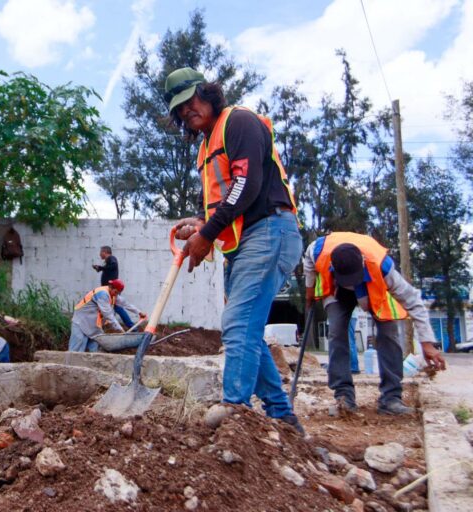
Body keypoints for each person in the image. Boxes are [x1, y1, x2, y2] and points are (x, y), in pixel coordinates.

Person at [164, 67, 305, 434]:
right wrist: (201, 223)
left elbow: (247, 185)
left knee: (238, 323)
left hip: (270, 230)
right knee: (245, 329)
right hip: (245, 241)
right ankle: (282, 415)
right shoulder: (206, 146)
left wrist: (207, 234)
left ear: (207, 92)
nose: (186, 111)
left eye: (190, 101)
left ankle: (235, 411)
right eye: (179, 109)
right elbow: (221, 201)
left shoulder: (238, 122)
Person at [303, 232, 446, 415]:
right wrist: (309, 289)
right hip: (336, 290)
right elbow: (308, 261)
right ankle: (344, 397)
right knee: (336, 331)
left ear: (362, 262)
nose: (351, 284)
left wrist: (427, 343)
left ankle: (391, 398)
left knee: (388, 332)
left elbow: (414, 302)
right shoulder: (318, 251)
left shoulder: (383, 267)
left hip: (372, 284)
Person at [69, 279, 146, 352]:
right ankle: (68, 365)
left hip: (92, 325)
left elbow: (125, 304)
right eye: (116, 292)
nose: (116, 295)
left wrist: (139, 312)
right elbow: (108, 315)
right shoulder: (102, 294)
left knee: (95, 350)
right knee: (76, 349)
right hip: (81, 322)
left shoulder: (113, 294)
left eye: (118, 293)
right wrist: (120, 330)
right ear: (111, 287)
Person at [92, 246, 135, 329]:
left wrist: (101, 268)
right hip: (109, 290)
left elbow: (113, 265)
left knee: (118, 307)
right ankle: (104, 326)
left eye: (101, 252)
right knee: (110, 308)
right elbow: (109, 269)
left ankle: (132, 327)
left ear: (105, 252)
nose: (99, 254)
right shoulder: (108, 260)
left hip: (112, 290)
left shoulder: (111, 258)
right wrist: (100, 269)